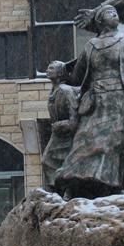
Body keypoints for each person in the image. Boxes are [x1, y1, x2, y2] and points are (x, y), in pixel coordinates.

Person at [54, 5, 124, 199]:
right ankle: (71, 183)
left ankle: (111, 185)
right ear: (100, 21)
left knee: (114, 141)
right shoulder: (91, 45)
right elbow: (78, 76)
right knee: (84, 140)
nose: (114, 14)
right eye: (108, 12)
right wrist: (62, 74)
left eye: (115, 12)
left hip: (119, 98)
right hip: (95, 99)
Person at [41, 60, 79, 191]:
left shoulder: (65, 90)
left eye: (51, 68)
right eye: (48, 68)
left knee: (62, 163)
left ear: (60, 73)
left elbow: (74, 118)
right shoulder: (54, 91)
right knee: (47, 161)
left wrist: (62, 125)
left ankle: (65, 189)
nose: (47, 70)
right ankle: (58, 188)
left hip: (67, 134)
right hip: (58, 134)